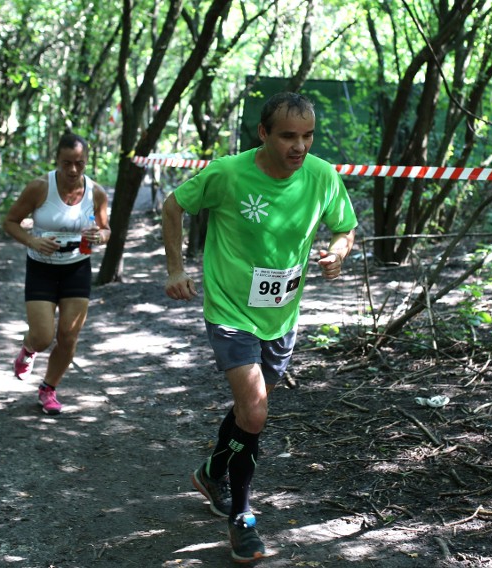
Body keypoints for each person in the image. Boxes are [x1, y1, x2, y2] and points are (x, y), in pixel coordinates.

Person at [162, 92, 357, 563]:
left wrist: (338, 252)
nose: (300, 146)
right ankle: (242, 518)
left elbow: (345, 227)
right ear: (264, 133)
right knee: (255, 411)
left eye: (308, 136)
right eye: (288, 136)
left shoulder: (322, 176)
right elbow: (173, 206)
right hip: (230, 310)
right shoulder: (229, 174)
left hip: (281, 315)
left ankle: (211, 473)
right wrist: (175, 268)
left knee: (252, 414)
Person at [3, 132, 110, 415]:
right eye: (66, 163)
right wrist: (32, 240)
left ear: (87, 161)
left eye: (79, 163)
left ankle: (48, 389)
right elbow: (10, 222)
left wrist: (100, 236)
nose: (73, 170)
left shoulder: (95, 192)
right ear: (57, 161)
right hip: (41, 268)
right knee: (42, 335)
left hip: (77, 267)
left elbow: (106, 229)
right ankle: (28, 350)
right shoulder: (40, 188)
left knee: (68, 337)